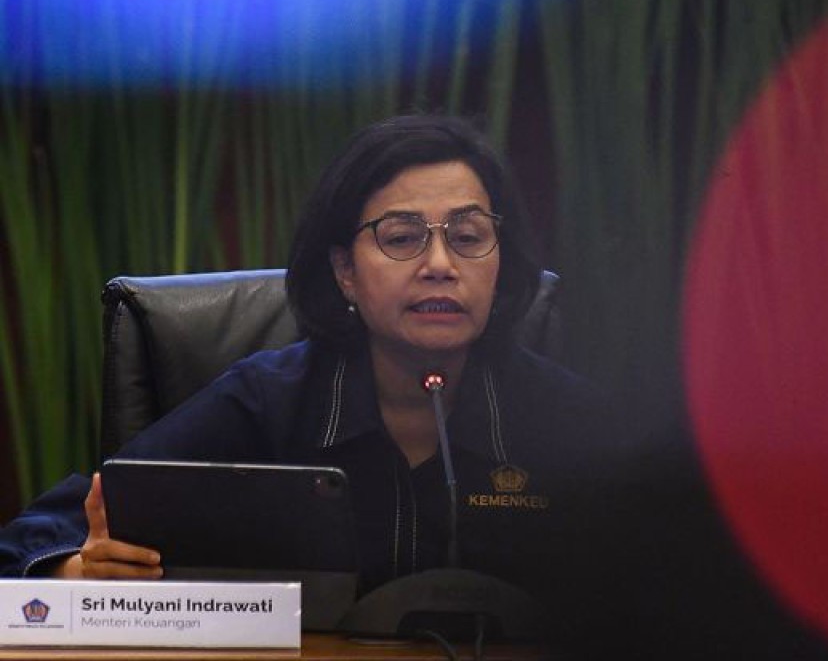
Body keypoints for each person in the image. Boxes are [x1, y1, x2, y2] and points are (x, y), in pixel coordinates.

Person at [0, 114, 612, 605]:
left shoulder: (569, 418)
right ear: (345, 271)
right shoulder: (269, 402)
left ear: (500, 262)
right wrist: (73, 571)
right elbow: (35, 537)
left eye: (468, 237)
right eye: (402, 238)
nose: (440, 265)